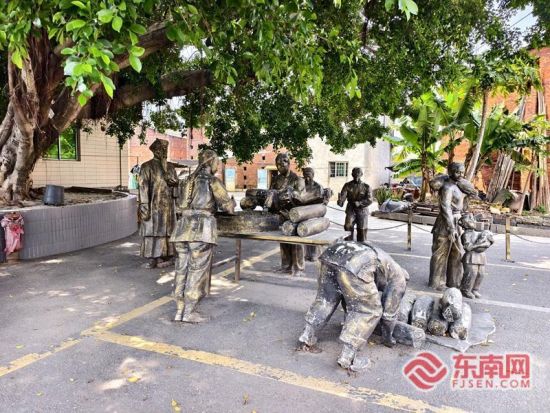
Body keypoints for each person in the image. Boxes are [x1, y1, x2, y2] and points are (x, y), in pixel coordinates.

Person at [298, 241, 409, 372]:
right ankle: (348, 357)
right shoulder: (399, 279)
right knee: (367, 311)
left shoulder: (386, 264)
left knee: (326, 299)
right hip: (356, 263)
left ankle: (307, 335)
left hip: (332, 255)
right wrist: (388, 338)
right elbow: (389, 315)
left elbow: (349, 296)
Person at [170, 149, 235, 323]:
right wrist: (232, 203)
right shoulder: (212, 181)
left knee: (181, 269)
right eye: (217, 162)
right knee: (197, 271)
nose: (217, 166)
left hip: (182, 229)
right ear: (211, 162)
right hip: (201, 229)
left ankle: (179, 310)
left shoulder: (185, 181)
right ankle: (189, 312)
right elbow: (227, 207)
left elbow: (179, 206)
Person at [428, 162, 470, 290]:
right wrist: (451, 228)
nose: (460, 175)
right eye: (457, 172)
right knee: (440, 253)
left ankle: (454, 281)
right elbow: (445, 208)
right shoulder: (448, 187)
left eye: (462, 172)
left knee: (456, 253)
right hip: (445, 223)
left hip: (457, 221)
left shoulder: (459, 186)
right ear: (450, 172)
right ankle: (437, 282)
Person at [138, 139, 178, 269]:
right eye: (161, 149)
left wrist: (174, 184)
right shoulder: (147, 166)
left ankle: (167, 255)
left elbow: (176, 189)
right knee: (153, 230)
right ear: (155, 150)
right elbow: (143, 187)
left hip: (168, 206)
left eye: (166, 149)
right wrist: (144, 205)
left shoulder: (170, 167)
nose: (164, 152)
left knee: (167, 230)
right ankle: (153, 257)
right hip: (154, 205)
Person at [268, 153, 306, 276]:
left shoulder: (297, 179)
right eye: (277, 165)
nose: (279, 167)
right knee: (283, 240)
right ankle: (286, 266)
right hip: (281, 212)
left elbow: (300, 197)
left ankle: (298, 267)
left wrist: (288, 194)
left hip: (294, 213)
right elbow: (270, 193)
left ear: (288, 163)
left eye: (281, 164)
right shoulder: (276, 179)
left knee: (295, 241)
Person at [293, 167, 332, 261]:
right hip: (303, 212)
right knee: (304, 233)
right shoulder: (301, 187)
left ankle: (315, 254)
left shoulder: (318, 187)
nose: (307, 178)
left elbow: (322, 202)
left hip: (314, 212)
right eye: (305, 176)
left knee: (314, 234)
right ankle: (306, 254)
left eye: (309, 176)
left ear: (313, 175)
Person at [459, 213, 494, 299]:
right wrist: (480, 244)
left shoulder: (478, 233)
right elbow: (468, 247)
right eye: (470, 220)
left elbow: (487, 241)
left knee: (481, 274)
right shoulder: (466, 234)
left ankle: (475, 289)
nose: (473, 221)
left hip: (480, 256)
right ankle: (466, 289)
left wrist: (489, 241)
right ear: (465, 224)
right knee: (471, 273)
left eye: (473, 220)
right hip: (471, 256)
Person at [337, 167, 372, 242]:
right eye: (355, 173)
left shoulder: (366, 186)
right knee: (348, 227)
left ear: (361, 174)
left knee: (362, 230)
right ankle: (348, 245)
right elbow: (342, 199)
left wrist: (359, 203)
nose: (356, 174)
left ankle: (362, 245)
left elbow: (370, 200)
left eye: (358, 172)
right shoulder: (347, 185)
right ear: (352, 174)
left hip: (362, 210)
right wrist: (340, 201)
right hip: (351, 209)